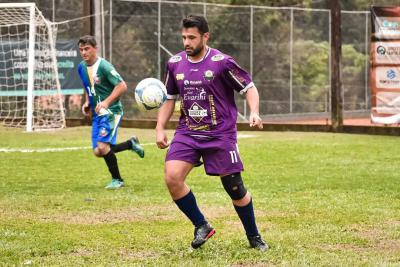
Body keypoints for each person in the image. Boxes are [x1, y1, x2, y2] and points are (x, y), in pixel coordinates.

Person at [156, 15, 268, 250]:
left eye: (192, 38)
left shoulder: (221, 62)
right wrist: (159, 128)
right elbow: (169, 98)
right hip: (188, 132)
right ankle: (202, 225)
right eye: (184, 37)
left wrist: (254, 112)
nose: (187, 42)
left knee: (235, 188)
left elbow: (249, 88)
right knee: (172, 177)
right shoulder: (175, 63)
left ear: (205, 37)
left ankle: (254, 237)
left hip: (220, 134)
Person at [77, 35, 144, 189]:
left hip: (111, 111)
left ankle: (118, 180)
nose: (84, 52)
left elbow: (122, 85)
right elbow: (88, 86)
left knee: (102, 147)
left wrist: (106, 102)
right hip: (97, 114)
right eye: (81, 49)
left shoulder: (104, 67)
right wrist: (88, 102)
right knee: (98, 151)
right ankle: (130, 144)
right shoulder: (81, 67)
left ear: (95, 48)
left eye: (87, 49)